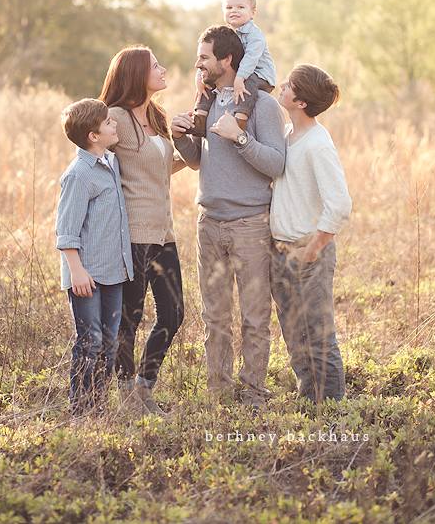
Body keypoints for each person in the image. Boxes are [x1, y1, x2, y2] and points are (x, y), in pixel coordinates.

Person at [171, 25, 285, 409]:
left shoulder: (263, 105)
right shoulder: (205, 101)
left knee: (254, 316)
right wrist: (180, 137)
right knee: (214, 316)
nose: (197, 63)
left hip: (250, 224)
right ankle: (218, 393)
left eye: (204, 57)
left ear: (227, 60)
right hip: (208, 224)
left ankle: (253, 393)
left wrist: (240, 137)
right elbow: (198, 160)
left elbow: (276, 165)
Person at [100, 46, 185, 417]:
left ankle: (144, 387)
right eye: (155, 66)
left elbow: (157, 169)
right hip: (132, 235)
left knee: (174, 313)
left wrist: (199, 151)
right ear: (136, 74)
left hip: (164, 232)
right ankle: (126, 399)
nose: (163, 69)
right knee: (129, 319)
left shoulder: (157, 115)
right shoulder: (114, 117)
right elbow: (91, 158)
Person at [270, 64, 352, 403]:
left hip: (308, 254)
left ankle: (332, 411)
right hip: (280, 251)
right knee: (293, 334)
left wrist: (314, 248)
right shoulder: (287, 135)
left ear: (301, 102)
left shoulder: (318, 143)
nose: (282, 85)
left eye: (290, 84)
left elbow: (340, 204)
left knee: (319, 337)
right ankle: (309, 400)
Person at [56, 98, 133, 419]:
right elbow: (66, 231)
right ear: (93, 135)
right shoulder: (78, 174)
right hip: (86, 275)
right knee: (89, 342)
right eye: (109, 123)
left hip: (113, 272)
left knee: (110, 343)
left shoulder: (111, 163)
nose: (115, 124)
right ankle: (80, 412)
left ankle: (97, 409)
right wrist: (76, 272)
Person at [190, 0, 277, 136]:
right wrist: (199, 76)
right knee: (210, 79)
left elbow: (250, 60)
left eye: (240, 7)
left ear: (253, 13)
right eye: (229, 8)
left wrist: (239, 78)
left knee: (248, 81)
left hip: (260, 75)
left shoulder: (256, 35)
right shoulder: (227, 34)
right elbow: (211, 56)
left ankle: (240, 120)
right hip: (242, 74)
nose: (234, 11)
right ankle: (200, 117)